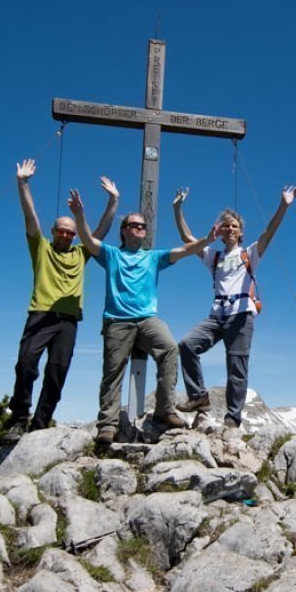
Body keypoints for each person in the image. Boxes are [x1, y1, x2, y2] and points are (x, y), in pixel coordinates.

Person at [68, 188, 217, 447]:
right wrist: (80, 215)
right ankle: (108, 425)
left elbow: (185, 250)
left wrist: (207, 239)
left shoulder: (153, 258)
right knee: (112, 372)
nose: (139, 228)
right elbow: (87, 239)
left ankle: (164, 411)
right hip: (117, 320)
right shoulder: (111, 255)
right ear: (123, 231)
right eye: (134, 225)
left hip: (148, 319)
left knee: (170, 348)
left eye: (143, 226)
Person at [4, 158, 119, 442]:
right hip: (40, 315)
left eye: (71, 231)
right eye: (62, 230)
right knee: (26, 364)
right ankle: (19, 420)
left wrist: (113, 201)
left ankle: (40, 424)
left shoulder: (81, 253)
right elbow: (31, 218)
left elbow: (100, 232)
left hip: (69, 321)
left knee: (57, 372)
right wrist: (23, 183)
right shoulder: (41, 248)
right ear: (53, 232)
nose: (67, 234)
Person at [172, 184, 296, 428]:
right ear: (218, 230)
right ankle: (198, 398)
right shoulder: (214, 256)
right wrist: (177, 209)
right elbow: (187, 239)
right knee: (187, 344)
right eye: (225, 225)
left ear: (240, 233)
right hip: (217, 315)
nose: (230, 229)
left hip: (241, 315)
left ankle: (232, 419)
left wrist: (283, 205)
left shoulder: (249, 254)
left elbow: (268, 233)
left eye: (234, 226)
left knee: (236, 367)